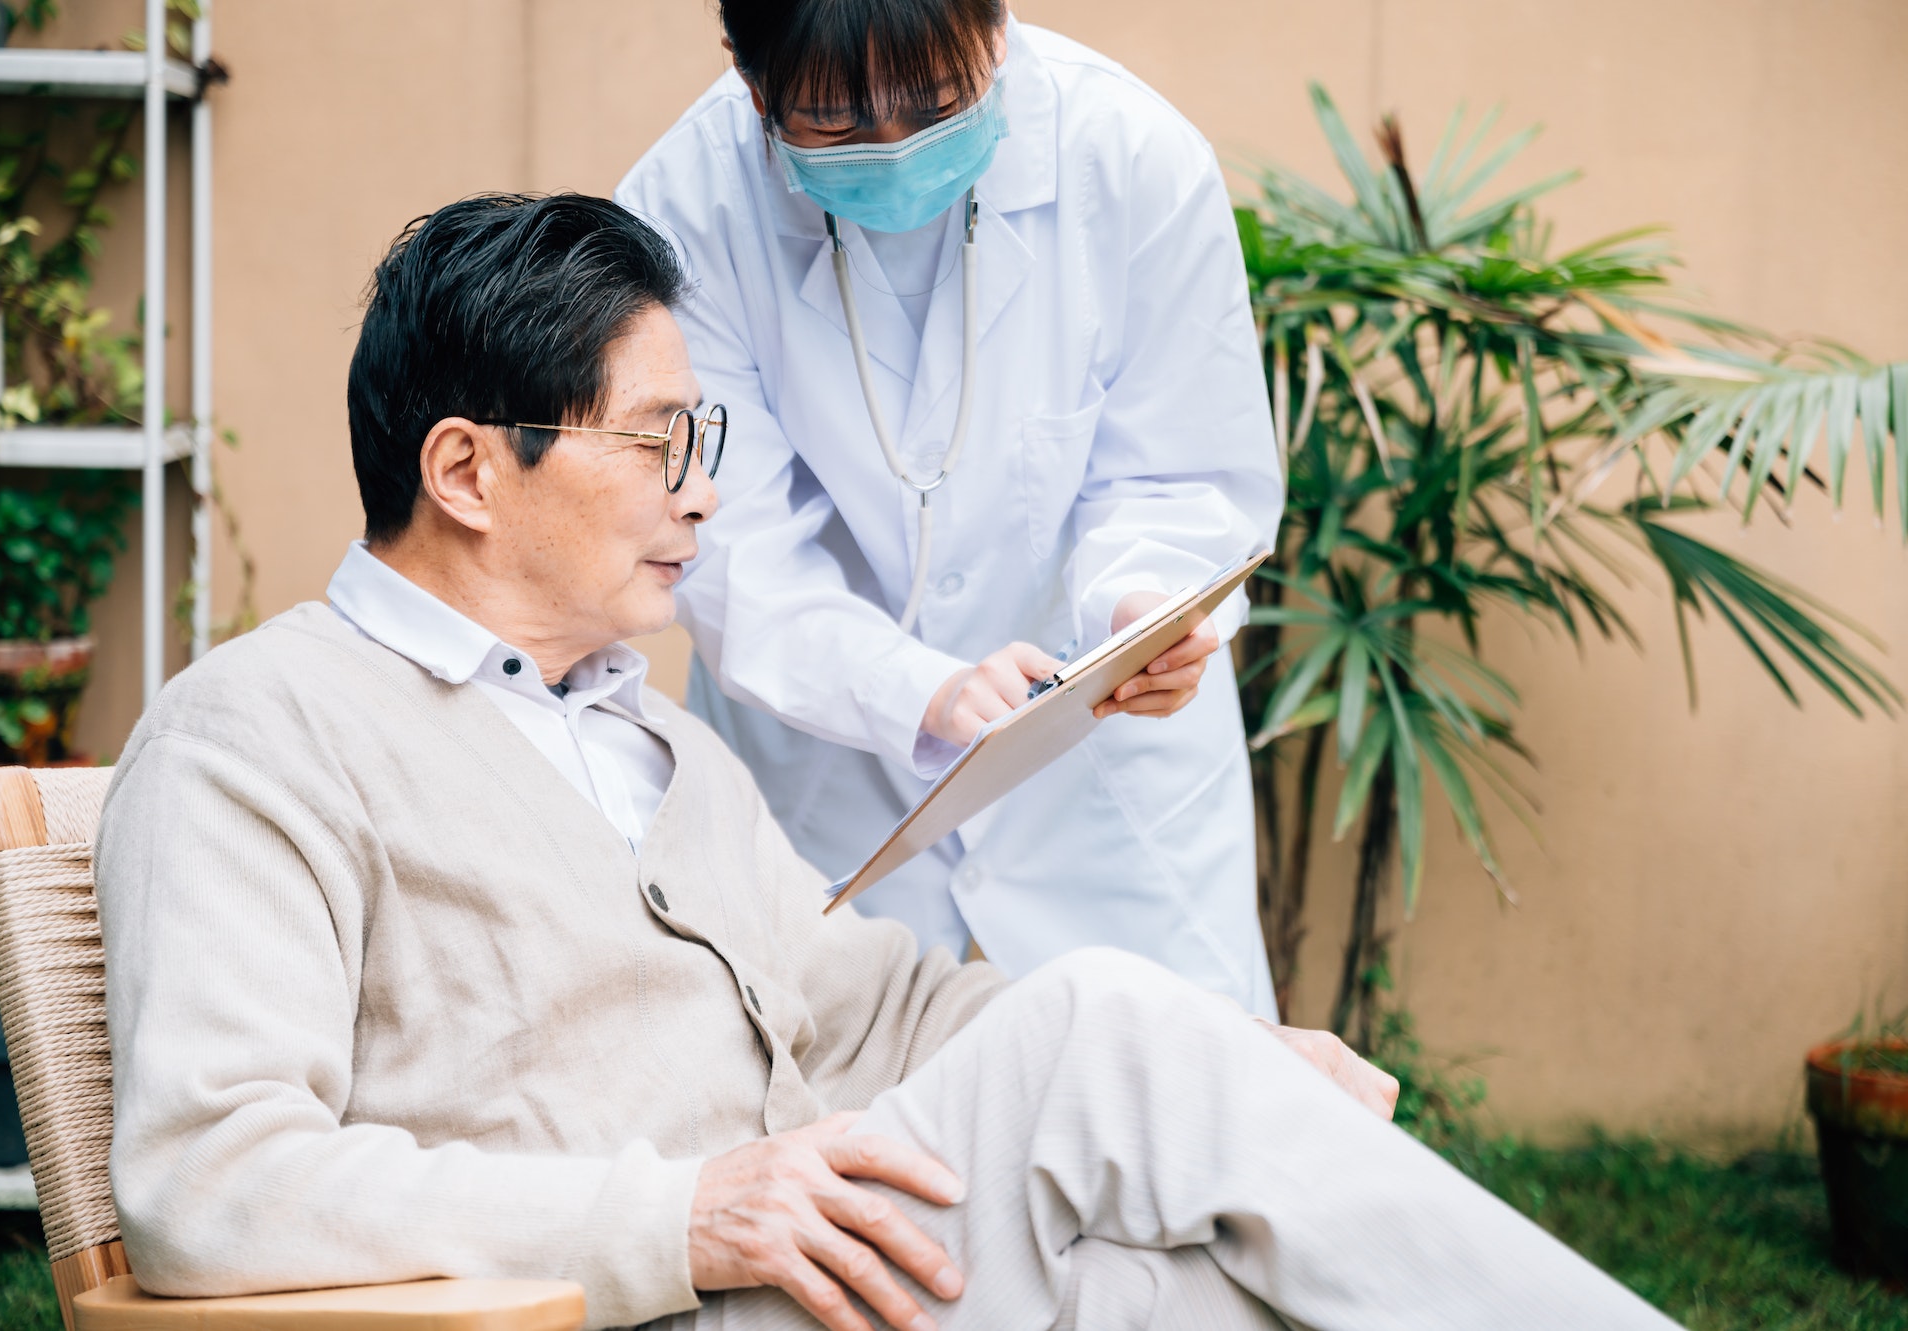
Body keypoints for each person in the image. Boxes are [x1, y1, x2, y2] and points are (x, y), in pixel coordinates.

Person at [94, 194, 1679, 1331]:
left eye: (700, 443)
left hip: (828, 1277)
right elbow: (211, 1175)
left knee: (1185, 1285)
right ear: (466, 470)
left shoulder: (651, 735)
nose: (702, 499)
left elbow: (886, 1002)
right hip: (618, 1299)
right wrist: (680, 1213)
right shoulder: (257, 733)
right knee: (1107, 1022)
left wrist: (1232, 1065)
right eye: (660, 443)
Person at [615, 1, 1284, 1013]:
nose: (895, 146)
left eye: (936, 102)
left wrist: (1140, 610)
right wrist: (909, 690)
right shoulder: (682, 207)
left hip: (1099, 761)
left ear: (995, 29)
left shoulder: (1132, 157)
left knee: (1166, 1096)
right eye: (836, 125)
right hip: (826, 756)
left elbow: (1181, 471)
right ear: (752, 86)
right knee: (840, 1109)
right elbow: (725, 533)